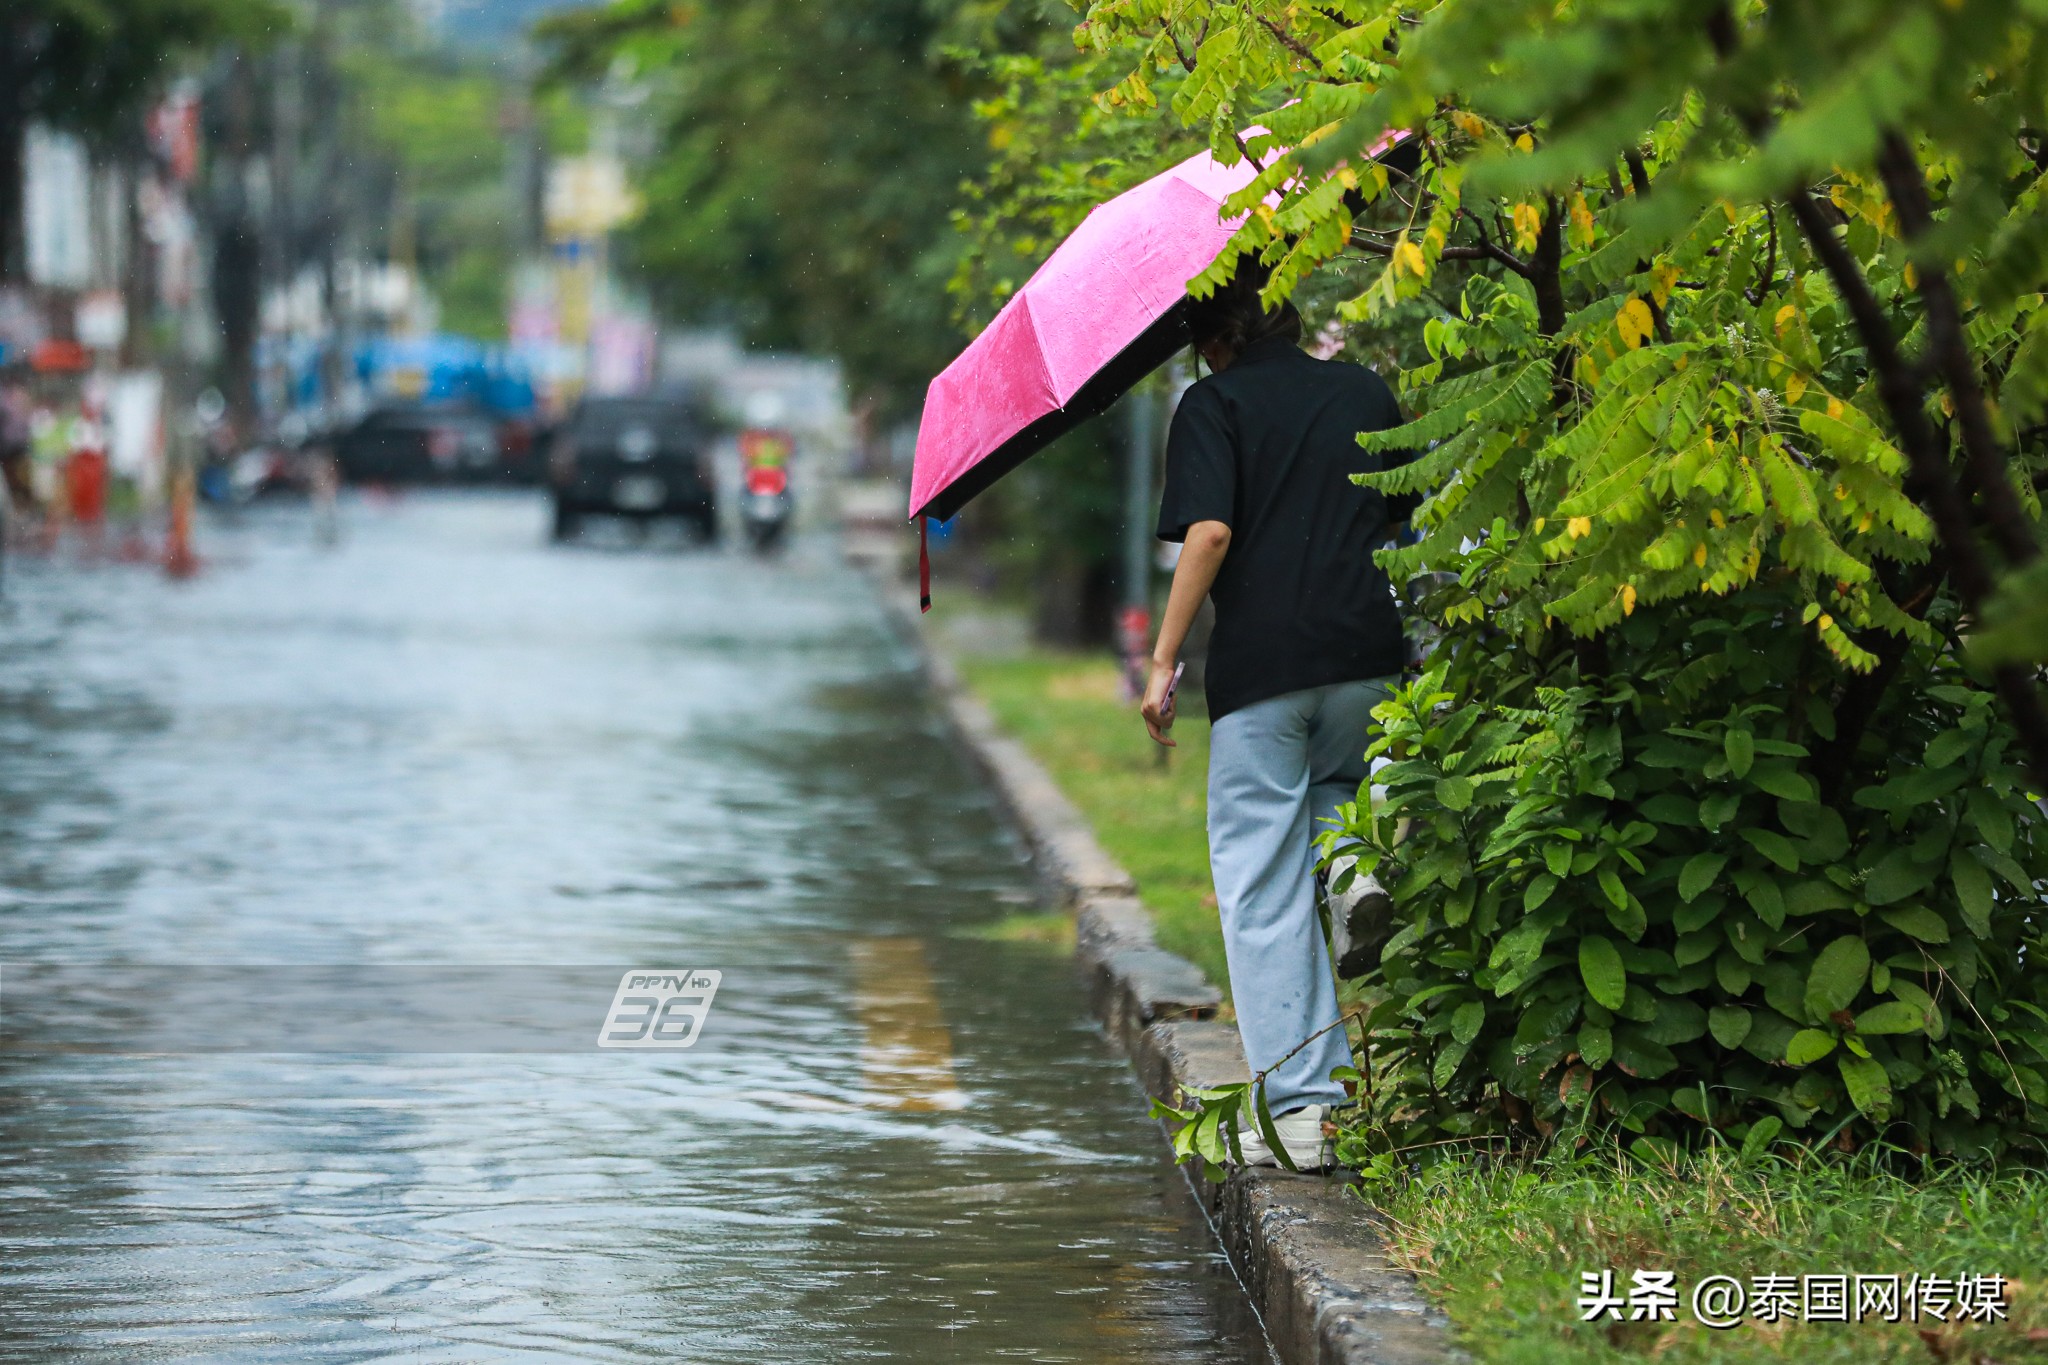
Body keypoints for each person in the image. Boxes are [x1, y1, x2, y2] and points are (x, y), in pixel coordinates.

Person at [1140, 266, 1417, 1170]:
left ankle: (1300, 1107)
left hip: (1266, 673)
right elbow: (1405, 519)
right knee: (1336, 792)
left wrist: (1161, 659)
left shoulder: (1212, 406)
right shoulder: (1365, 389)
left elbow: (1210, 534)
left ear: (1211, 341)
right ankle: (1349, 866)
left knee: (1259, 882)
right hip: (1369, 658)